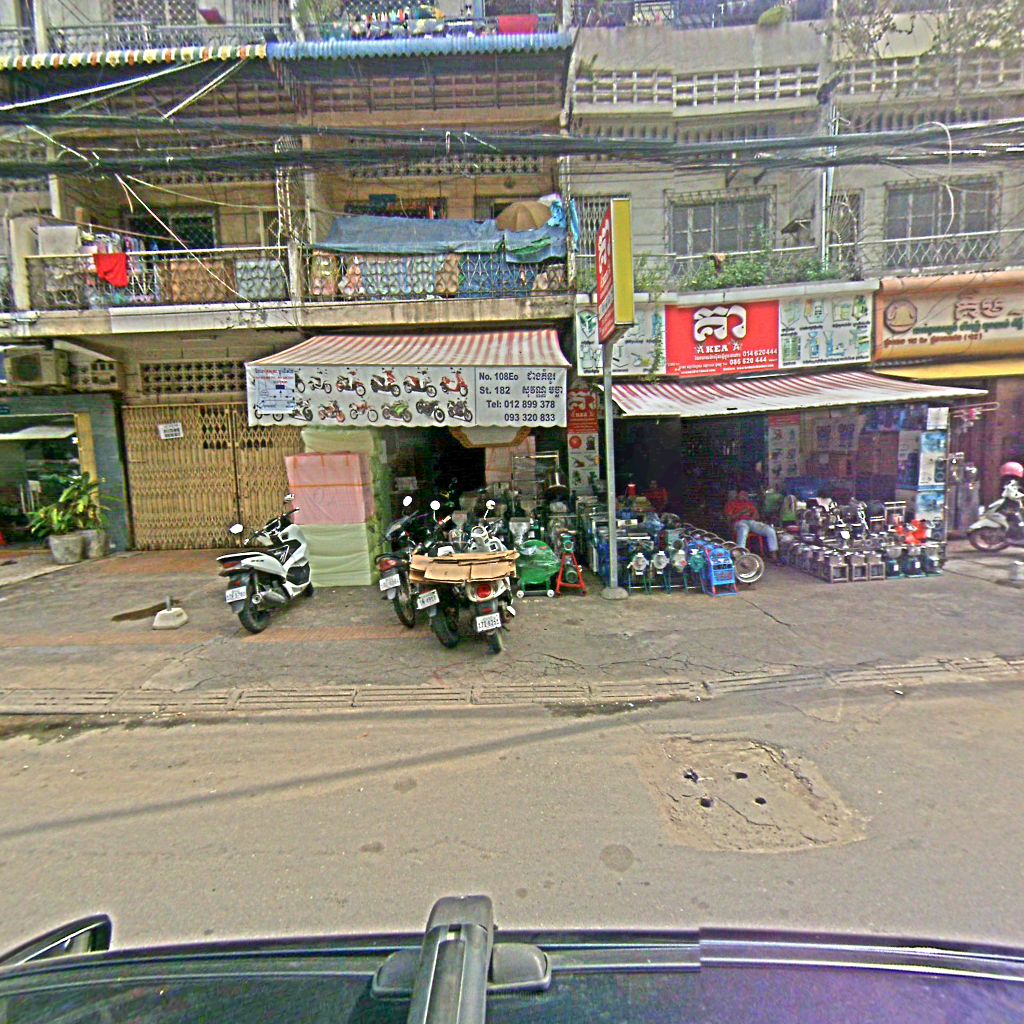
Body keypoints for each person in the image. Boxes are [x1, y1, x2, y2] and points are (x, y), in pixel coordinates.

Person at [725, 487, 779, 558]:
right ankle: (741, 554)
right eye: (742, 494)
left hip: (751, 522)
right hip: (739, 522)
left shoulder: (749, 504)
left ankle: (774, 554)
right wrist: (741, 513)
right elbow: (729, 518)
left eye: (745, 494)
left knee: (769, 530)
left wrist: (752, 514)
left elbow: (757, 517)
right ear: (737, 494)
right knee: (744, 529)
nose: (744, 495)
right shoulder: (732, 504)